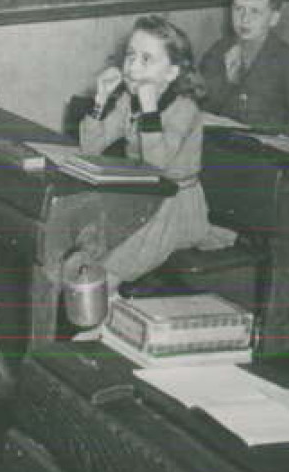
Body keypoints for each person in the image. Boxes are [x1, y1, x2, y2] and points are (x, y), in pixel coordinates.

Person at [81, 15, 235, 292]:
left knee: (118, 258)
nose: (132, 67)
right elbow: (90, 147)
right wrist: (100, 100)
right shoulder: (129, 101)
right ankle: (102, 307)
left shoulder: (185, 109)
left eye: (146, 59)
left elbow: (156, 165)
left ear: (172, 73)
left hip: (176, 207)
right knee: (88, 238)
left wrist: (150, 110)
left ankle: (100, 309)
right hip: (141, 198)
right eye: (130, 56)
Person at [198, 0, 289, 132]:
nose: (244, 19)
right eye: (238, 9)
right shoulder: (219, 50)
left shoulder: (287, 58)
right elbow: (203, 106)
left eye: (255, 11)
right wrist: (228, 83)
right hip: (224, 142)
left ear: (274, 18)